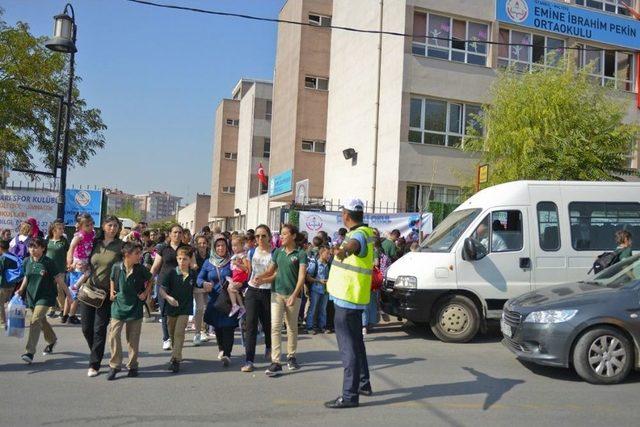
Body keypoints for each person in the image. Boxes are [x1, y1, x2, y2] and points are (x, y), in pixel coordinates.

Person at [324, 198, 374, 409]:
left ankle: (349, 395)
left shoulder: (359, 236)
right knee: (357, 345)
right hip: (352, 298)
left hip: (347, 299)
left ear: (346, 214)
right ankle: (363, 384)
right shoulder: (366, 232)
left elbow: (353, 247)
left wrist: (343, 251)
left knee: (348, 349)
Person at [254, 224, 307, 377]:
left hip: (293, 296)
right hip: (276, 294)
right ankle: (276, 362)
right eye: (281, 234)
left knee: (291, 327)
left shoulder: (301, 254)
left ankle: (291, 357)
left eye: (284, 234)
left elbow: (301, 277)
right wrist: (261, 277)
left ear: (293, 236)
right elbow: (271, 270)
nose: (281, 237)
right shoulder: (277, 253)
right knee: (275, 327)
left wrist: (294, 294)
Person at [14, 237, 72, 364]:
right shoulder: (26, 261)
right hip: (31, 296)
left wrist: (68, 294)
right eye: (31, 247)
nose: (32, 250)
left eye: (36, 247)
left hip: (45, 297)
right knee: (41, 321)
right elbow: (26, 277)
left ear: (43, 248)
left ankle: (29, 352)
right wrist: (21, 290)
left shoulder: (48, 262)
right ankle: (52, 340)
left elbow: (59, 279)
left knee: (35, 320)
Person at [81, 216, 123, 378]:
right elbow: (85, 260)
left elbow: (126, 266)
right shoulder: (94, 244)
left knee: (99, 328)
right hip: (89, 290)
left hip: (107, 293)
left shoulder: (120, 246)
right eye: (110, 225)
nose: (112, 228)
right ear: (104, 227)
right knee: (86, 328)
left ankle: (94, 363)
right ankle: (96, 352)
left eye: (115, 226)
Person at [107, 242, 152, 380]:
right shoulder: (116, 267)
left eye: (140, 253)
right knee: (114, 335)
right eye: (136, 253)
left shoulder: (140, 269)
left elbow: (151, 279)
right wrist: (111, 292)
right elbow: (112, 279)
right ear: (127, 255)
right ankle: (115, 365)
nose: (139, 256)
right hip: (119, 306)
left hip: (135, 306)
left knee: (132, 339)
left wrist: (145, 293)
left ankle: (132, 366)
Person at [198, 234, 238, 367]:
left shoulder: (232, 261)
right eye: (218, 246)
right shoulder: (208, 262)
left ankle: (227, 354)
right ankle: (221, 348)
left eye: (223, 245)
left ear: (227, 247)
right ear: (214, 248)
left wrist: (237, 284)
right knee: (218, 328)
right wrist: (203, 283)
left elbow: (241, 276)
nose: (221, 248)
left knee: (228, 327)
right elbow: (199, 278)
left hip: (229, 300)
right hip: (214, 301)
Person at [159, 246, 199, 373]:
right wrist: (168, 297)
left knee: (179, 333)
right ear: (176, 259)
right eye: (180, 259)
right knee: (172, 334)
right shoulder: (171, 273)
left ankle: (175, 360)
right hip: (171, 308)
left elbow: (196, 288)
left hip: (185, 309)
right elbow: (161, 289)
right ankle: (178, 353)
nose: (182, 261)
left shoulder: (193, 274)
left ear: (189, 261)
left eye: (185, 259)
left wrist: (206, 287)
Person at [150, 224, 190, 351]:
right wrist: (148, 281)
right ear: (170, 234)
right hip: (164, 283)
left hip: (181, 284)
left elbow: (193, 265)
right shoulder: (163, 248)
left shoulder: (187, 249)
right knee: (164, 311)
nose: (177, 235)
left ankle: (175, 338)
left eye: (179, 232)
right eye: (175, 232)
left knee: (178, 312)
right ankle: (166, 338)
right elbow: (156, 266)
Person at [242, 224, 273, 373]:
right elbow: (249, 271)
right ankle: (249, 360)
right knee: (251, 325)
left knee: (267, 324)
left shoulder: (275, 253)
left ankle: (269, 346)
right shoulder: (251, 252)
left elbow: (276, 274)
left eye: (263, 236)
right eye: (257, 236)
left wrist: (265, 279)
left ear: (269, 237)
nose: (260, 239)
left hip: (268, 292)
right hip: (252, 291)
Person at [45, 220, 68, 319]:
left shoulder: (64, 240)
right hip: (49, 269)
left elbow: (69, 252)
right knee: (50, 289)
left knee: (59, 288)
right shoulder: (47, 240)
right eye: (60, 228)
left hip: (60, 269)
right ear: (54, 230)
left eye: (63, 228)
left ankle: (63, 309)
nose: (62, 230)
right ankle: (52, 309)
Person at [306, 246, 331, 334]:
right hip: (315, 289)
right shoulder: (315, 264)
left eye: (329, 254)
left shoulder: (328, 264)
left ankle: (322, 327)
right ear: (321, 253)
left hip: (325, 290)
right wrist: (318, 280)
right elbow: (308, 277)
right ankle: (309, 327)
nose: (329, 255)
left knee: (323, 309)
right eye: (327, 253)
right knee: (313, 308)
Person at [192, 234, 210, 345]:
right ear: (196, 245)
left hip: (208, 286)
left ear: (207, 244)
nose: (202, 245)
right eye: (200, 243)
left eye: (204, 243)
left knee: (206, 309)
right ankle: (198, 333)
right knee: (199, 309)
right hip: (197, 286)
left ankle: (205, 330)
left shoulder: (210, 256)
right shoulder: (194, 256)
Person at [0, 239, 22, 328]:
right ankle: (13, 321)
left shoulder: (2, 258)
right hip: (12, 284)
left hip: (3, 284)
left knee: (1, 304)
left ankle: (3, 322)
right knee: (11, 302)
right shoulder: (13, 256)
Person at [228, 235, 250, 318]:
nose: (234, 248)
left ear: (242, 245)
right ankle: (240, 306)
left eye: (236, 245)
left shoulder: (243, 256)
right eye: (233, 245)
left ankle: (236, 305)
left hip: (240, 277)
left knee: (231, 288)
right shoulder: (234, 255)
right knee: (232, 289)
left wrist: (237, 264)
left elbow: (246, 268)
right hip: (235, 276)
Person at [62, 259, 87, 324]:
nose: (81, 266)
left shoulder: (79, 271)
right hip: (74, 289)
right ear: (75, 265)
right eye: (79, 265)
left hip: (71, 288)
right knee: (74, 300)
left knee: (68, 299)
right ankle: (71, 316)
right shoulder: (78, 272)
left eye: (83, 265)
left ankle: (65, 316)